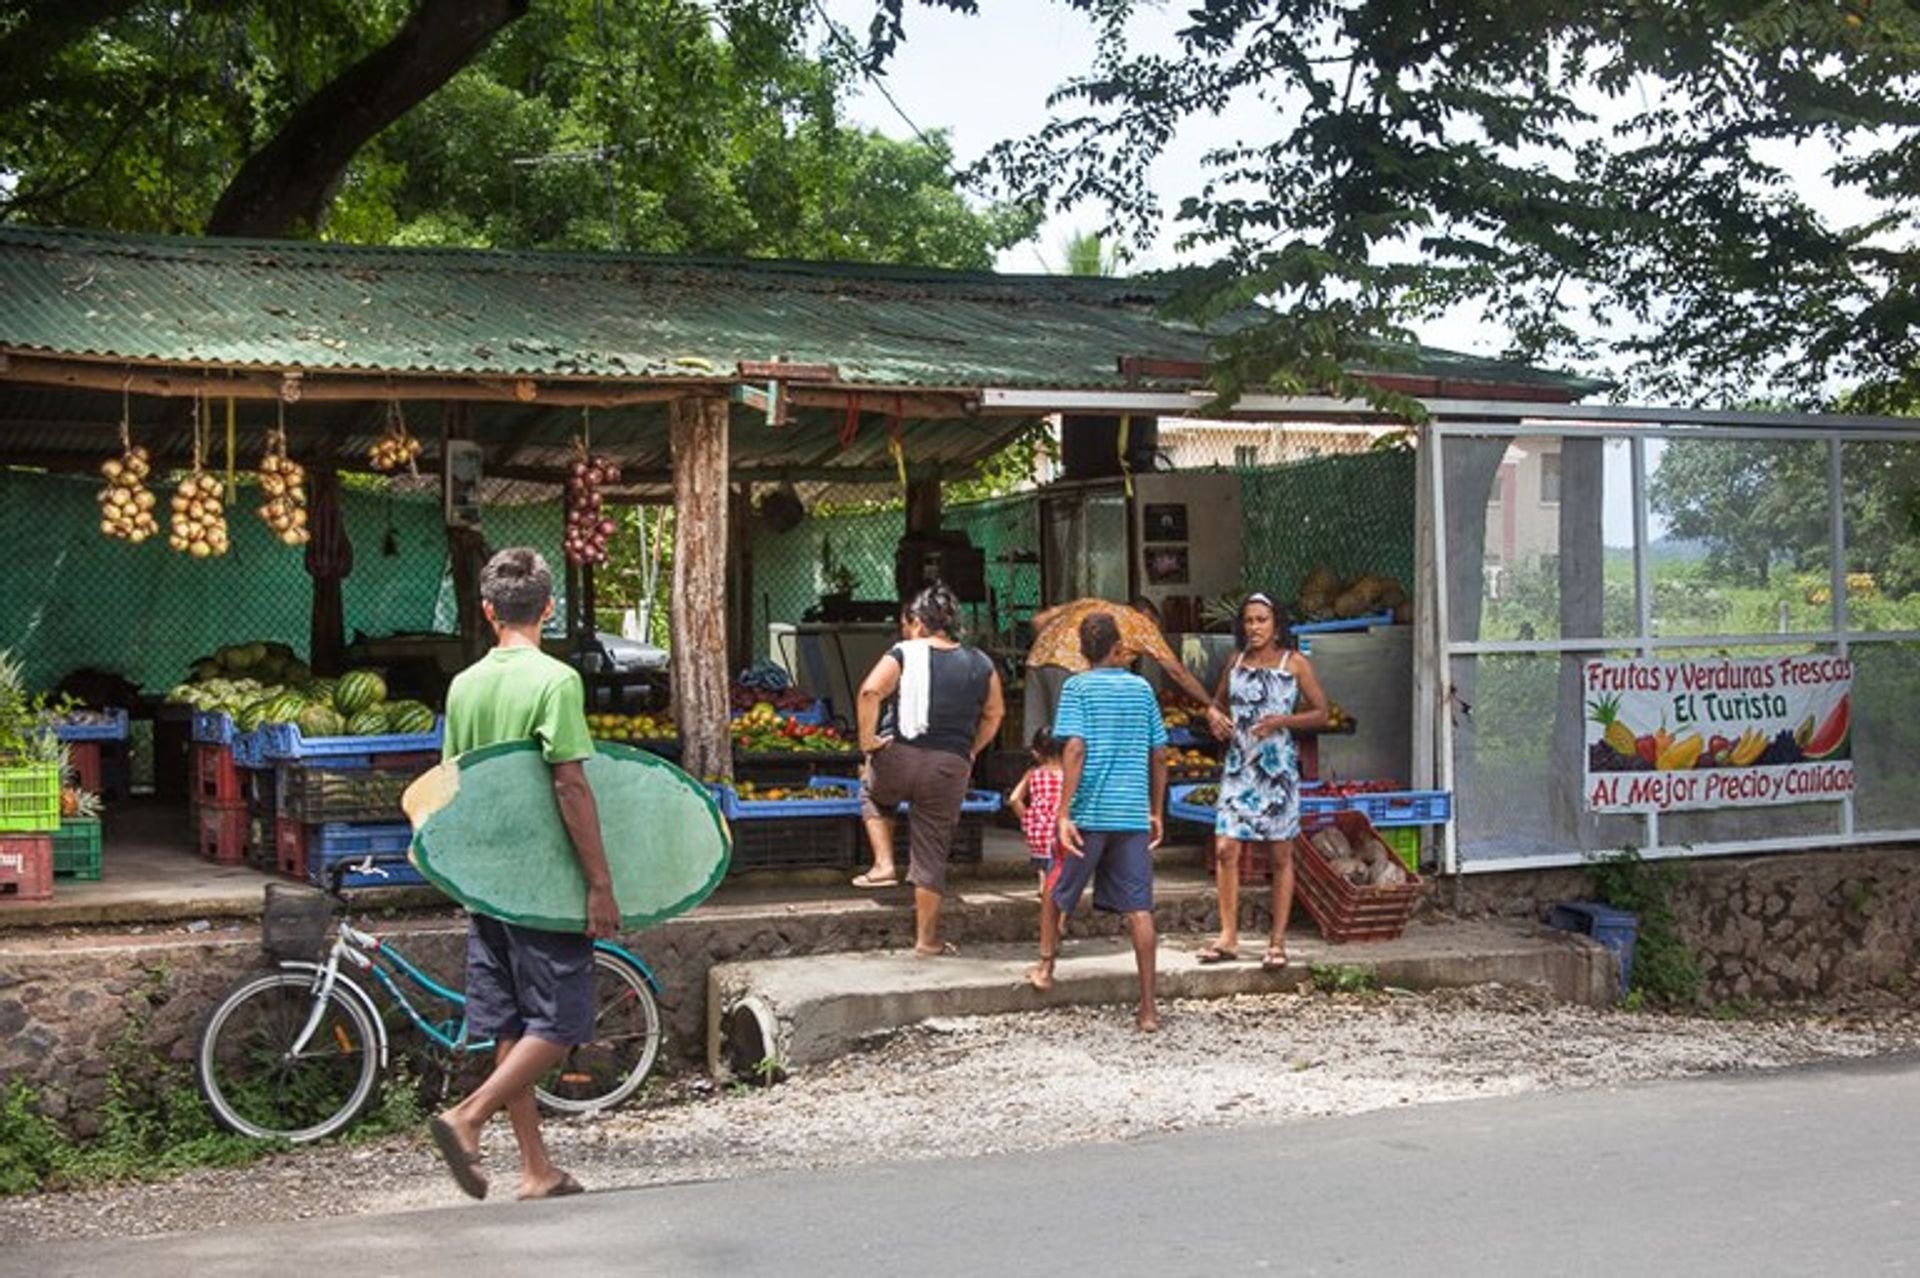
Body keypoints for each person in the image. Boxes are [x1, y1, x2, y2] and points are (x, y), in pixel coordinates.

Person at [427, 548, 620, 1203]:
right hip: (543, 879)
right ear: (548, 608)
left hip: (487, 878)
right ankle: (468, 1116)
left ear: (486, 611)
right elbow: (570, 784)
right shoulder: (555, 681)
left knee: (513, 1023)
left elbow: (456, 785)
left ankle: (535, 1169)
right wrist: (599, 881)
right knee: (561, 1023)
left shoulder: (464, 686)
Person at [1027, 610, 1169, 1033]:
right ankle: (1147, 1009)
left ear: (1082, 650)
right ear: (1117, 647)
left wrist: (1063, 810)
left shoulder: (1077, 687)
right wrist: (1157, 810)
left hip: (1090, 813)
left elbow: (1074, 750)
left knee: (1055, 889)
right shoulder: (1142, 689)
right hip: (1131, 814)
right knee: (1139, 911)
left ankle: (1046, 969)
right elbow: (1159, 753)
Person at [850, 584, 1006, 957]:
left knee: (872, 791)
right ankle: (926, 941)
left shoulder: (904, 653)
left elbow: (871, 692)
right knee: (932, 849)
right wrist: (969, 750)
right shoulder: (981, 663)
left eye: (907, 624)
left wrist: (868, 741)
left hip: (899, 756)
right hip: (949, 768)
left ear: (918, 623)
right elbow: (995, 714)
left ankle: (884, 863)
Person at [1197, 593, 1328, 972]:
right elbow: (1217, 704)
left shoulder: (1295, 663)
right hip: (1240, 766)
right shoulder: (1234, 662)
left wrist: (1281, 722)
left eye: (1261, 620)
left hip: (1278, 770)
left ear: (1276, 625)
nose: (1253, 627)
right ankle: (1228, 936)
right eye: (1248, 621)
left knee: (1280, 855)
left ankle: (1277, 942)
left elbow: (1320, 712)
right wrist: (1212, 716)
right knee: (1225, 848)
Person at [1024, 597, 1230, 744]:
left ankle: (1038, 794)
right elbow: (1178, 673)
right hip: (1073, 666)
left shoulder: (1090, 603)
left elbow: (1038, 621)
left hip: (1036, 659)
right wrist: (1211, 703)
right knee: (1071, 739)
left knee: (1038, 738)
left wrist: (1050, 648)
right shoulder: (1142, 624)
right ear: (1149, 616)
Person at [1006, 728, 1065, 893]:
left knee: (1042, 861)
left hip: (1039, 828)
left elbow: (1014, 799)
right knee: (1060, 862)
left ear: (1037, 752)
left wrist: (1028, 819)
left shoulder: (1033, 774)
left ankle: (1043, 885)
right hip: (1061, 827)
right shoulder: (1069, 775)